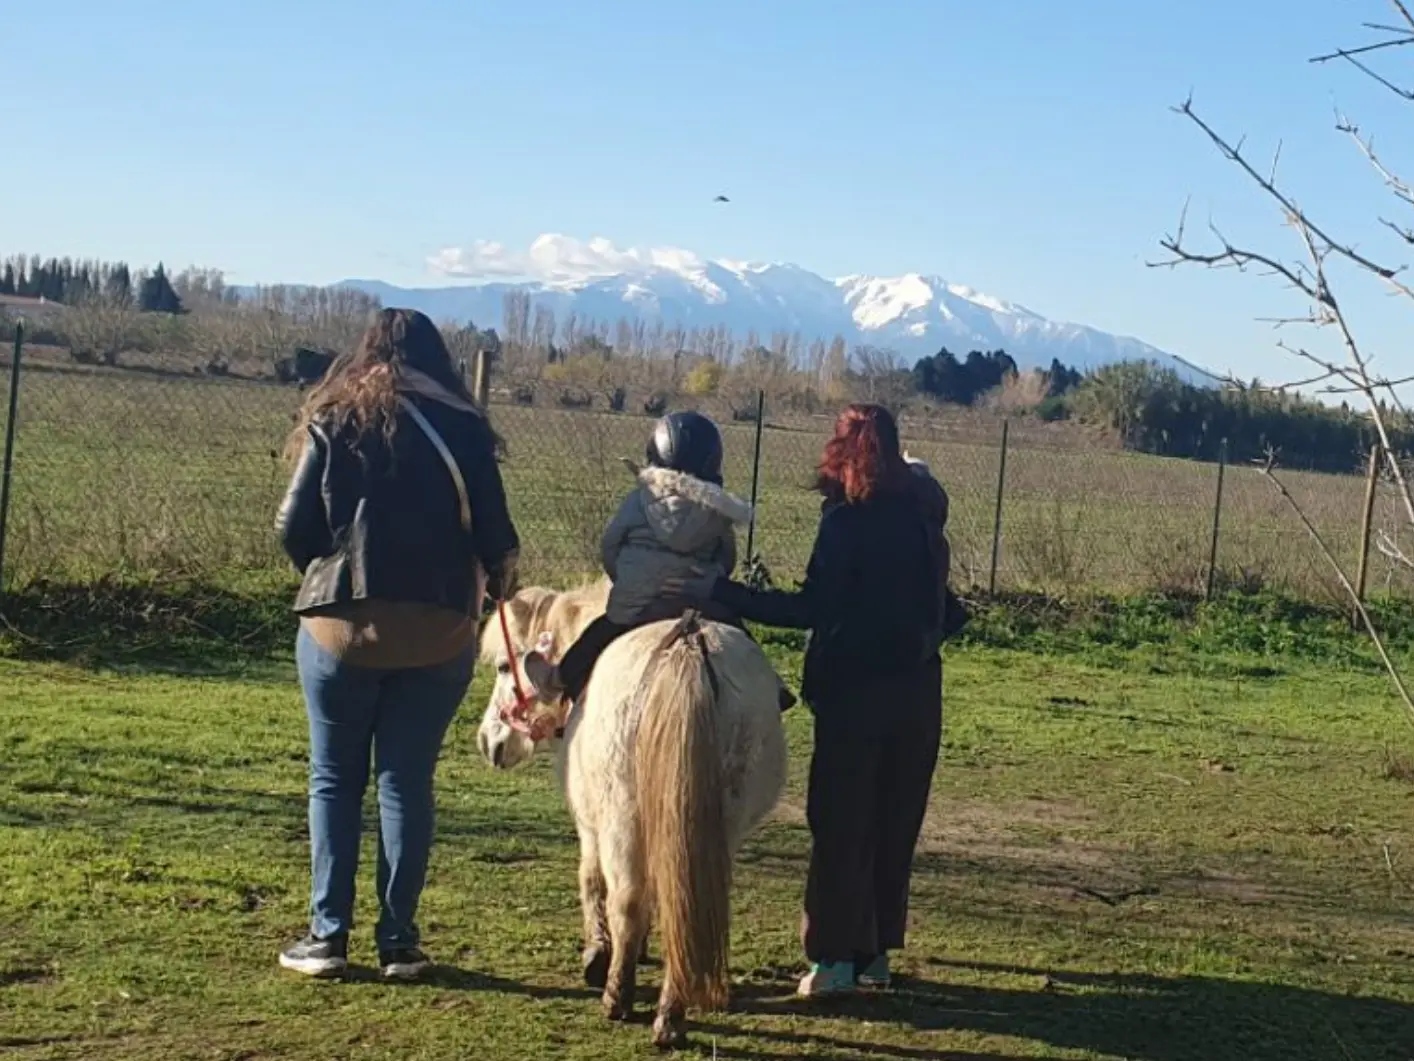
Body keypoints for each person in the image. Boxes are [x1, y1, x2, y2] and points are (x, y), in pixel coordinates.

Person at [673, 403, 954, 998]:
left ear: (845, 452)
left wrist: (725, 594)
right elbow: (942, 610)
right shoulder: (925, 519)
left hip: (855, 693)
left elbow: (812, 608)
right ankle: (874, 955)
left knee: (840, 824)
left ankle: (831, 962)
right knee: (892, 821)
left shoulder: (845, 523)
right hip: (919, 692)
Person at [274, 308, 519, 981]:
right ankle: (399, 941)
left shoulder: (334, 415)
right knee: (406, 783)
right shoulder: (465, 429)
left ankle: (327, 935)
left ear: (368, 351)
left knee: (333, 776)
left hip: (339, 630)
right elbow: (498, 538)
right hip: (439, 635)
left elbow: (292, 526)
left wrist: (329, 580)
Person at [523, 410, 794, 712]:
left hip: (637, 603)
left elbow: (610, 546)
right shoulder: (718, 512)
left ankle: (556, 679)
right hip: (698, 600)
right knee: (735, 628)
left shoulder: (638, 499)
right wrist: (711, 581)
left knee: (601, 632)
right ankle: (771, 685)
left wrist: (624, 579)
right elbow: (726, 557)